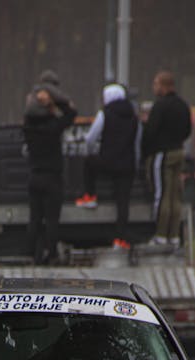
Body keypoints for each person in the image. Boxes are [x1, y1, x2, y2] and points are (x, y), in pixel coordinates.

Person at [23, 70, 77, 265]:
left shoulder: (28, 126)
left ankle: (33, 254)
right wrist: (55, 99)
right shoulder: (54, 125)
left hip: (34, 176)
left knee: (35, 218)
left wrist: (38, 96)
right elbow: (72, 114)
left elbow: (29, 112)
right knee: (52, 219)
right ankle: (51, 253)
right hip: (52, 177)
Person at [75, 83, 138, 250]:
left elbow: (91, 138)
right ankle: (120, 239)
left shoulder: (105, 114)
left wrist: (90, 151)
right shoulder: (133, 115)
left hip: (108, 162)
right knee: (123, 203)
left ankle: (90, 196)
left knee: (89, 163)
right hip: (127, 165)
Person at [141, 70, 191, 247]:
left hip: (163, 154)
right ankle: (174, 235)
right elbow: (188, 130)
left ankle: (161, 234)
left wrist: (147, 151)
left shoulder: (160, 106)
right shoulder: (183, 105)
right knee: (175, 195)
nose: (154, 87)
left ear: (164, 86)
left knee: (162, 194)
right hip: (179, 151)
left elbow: (151, 131)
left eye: (156, 84)